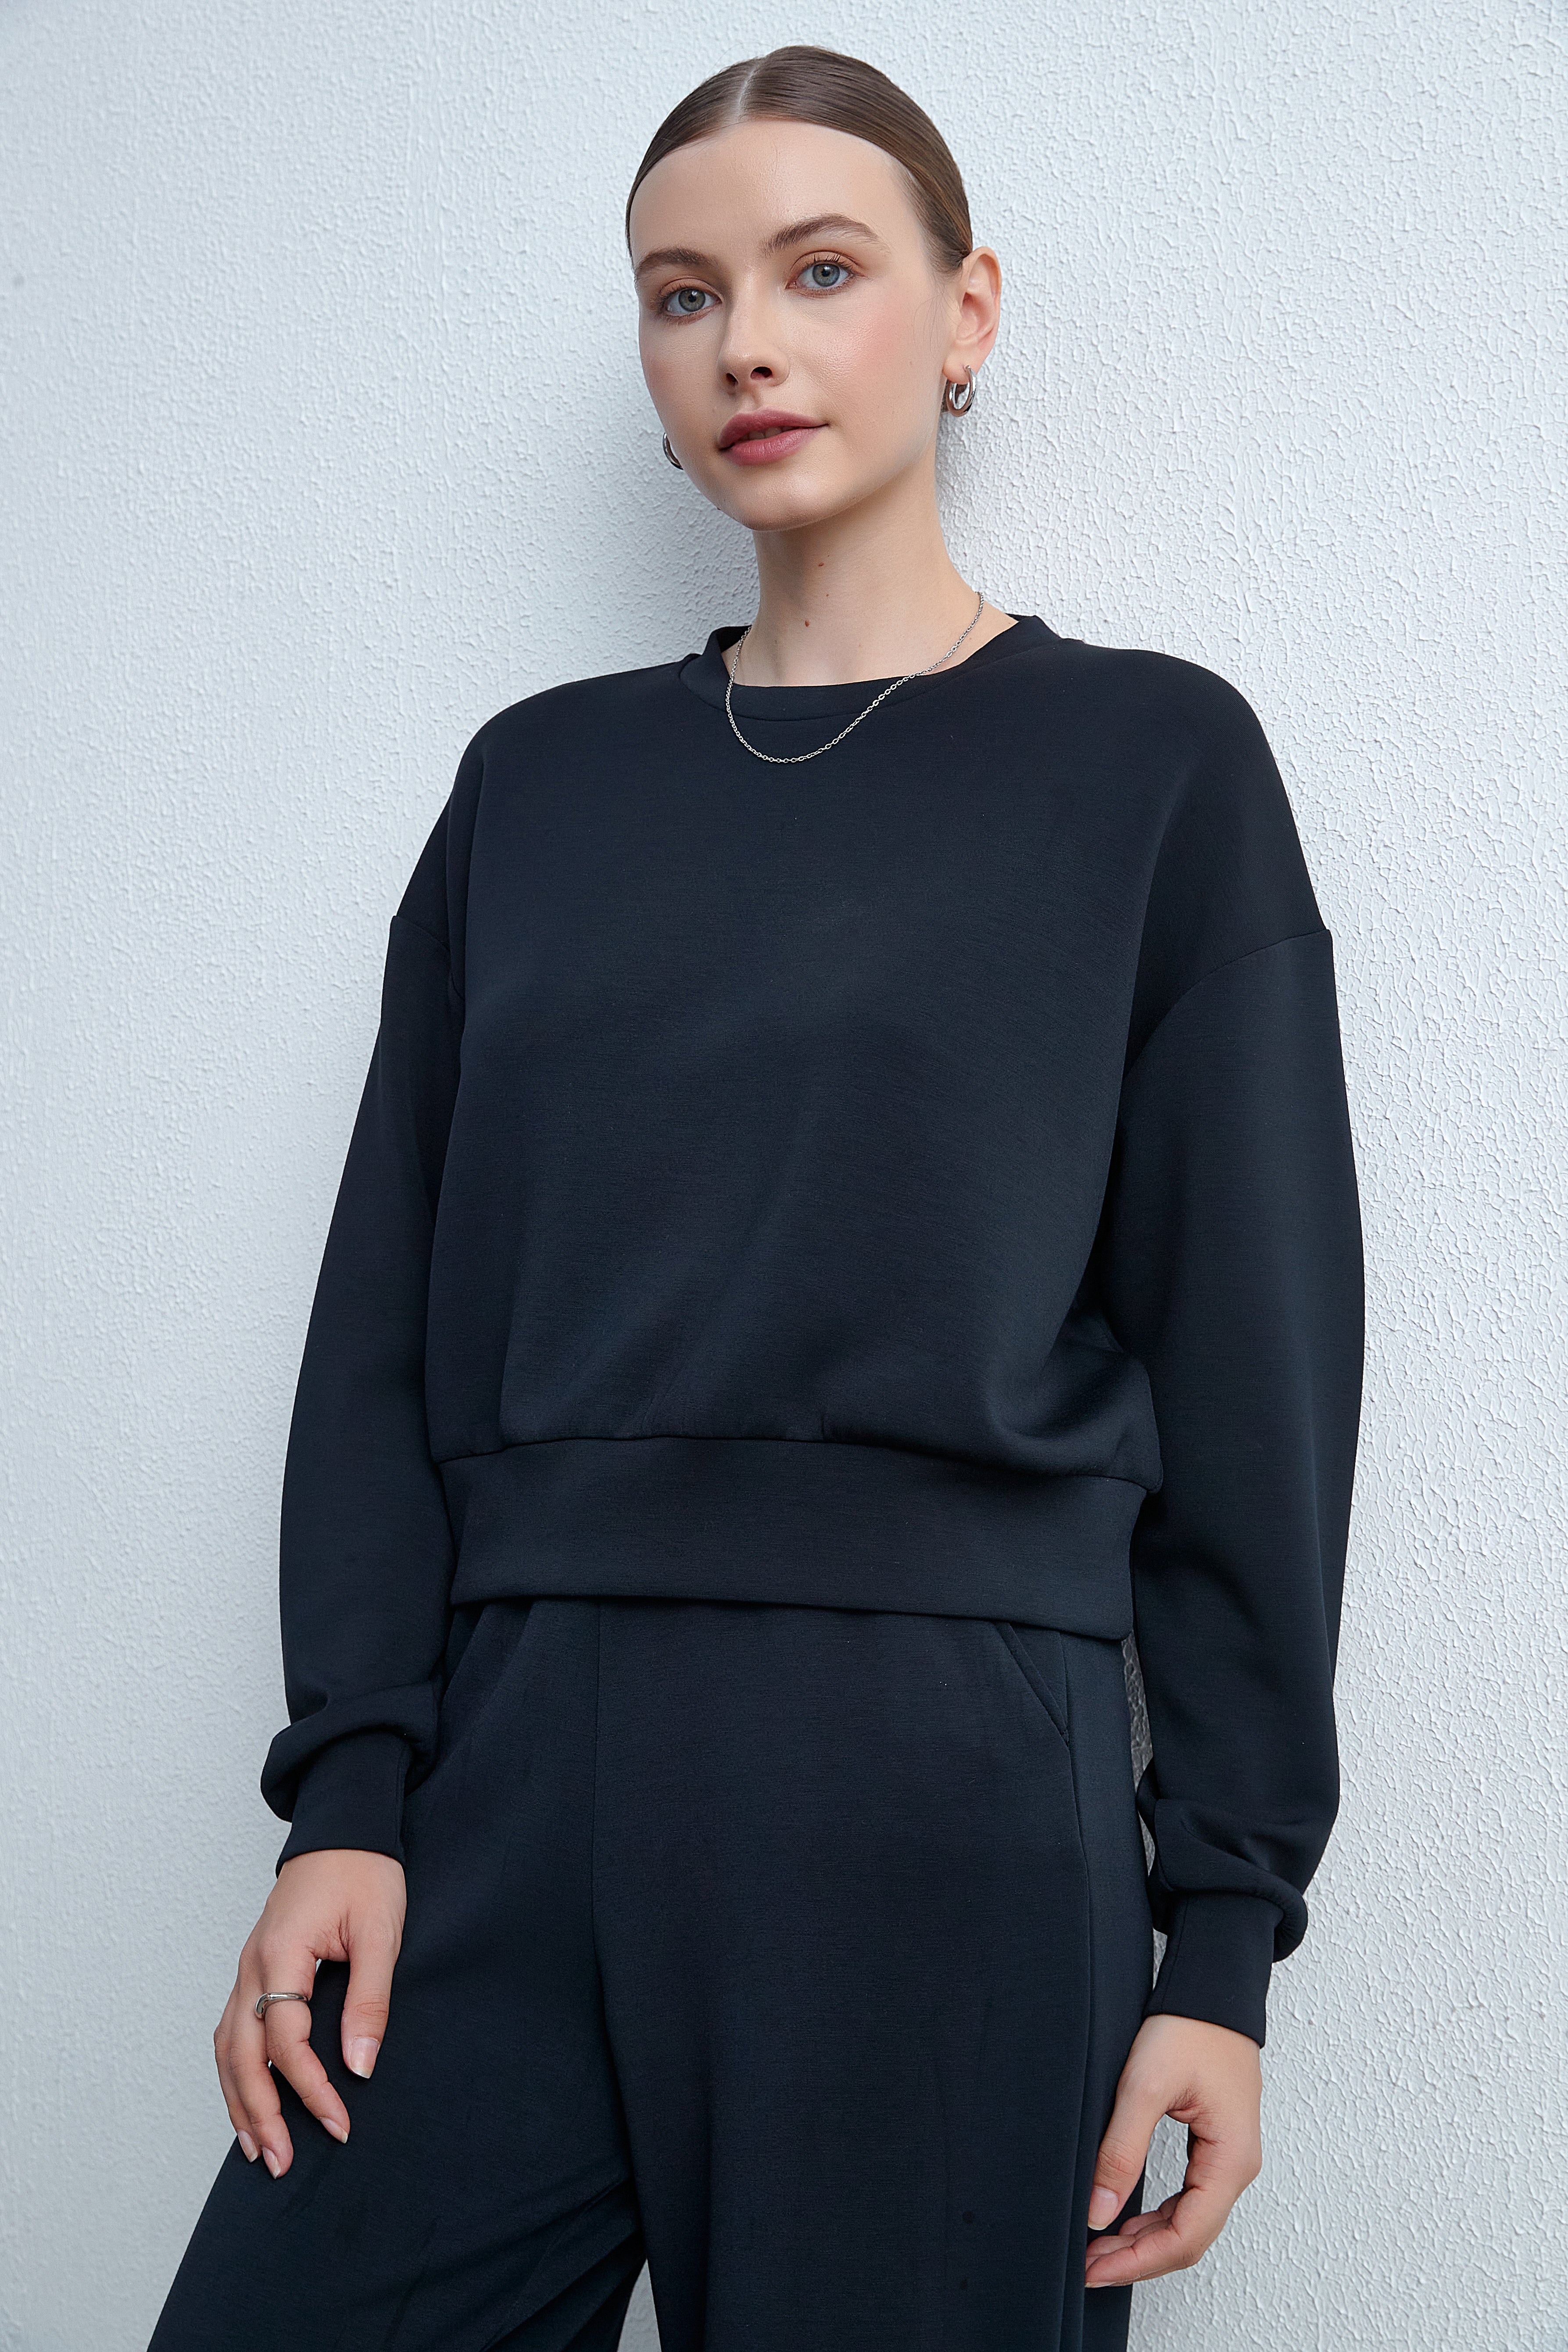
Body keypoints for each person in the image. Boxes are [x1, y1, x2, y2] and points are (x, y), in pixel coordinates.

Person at [150, 43, 1364, 2352]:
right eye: (681, 294)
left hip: (938, 1792)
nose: (747, 346)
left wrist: (1221, 1939)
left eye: (820, 271)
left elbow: (1257, 1382)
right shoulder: (536, 788)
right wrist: (352, 1794)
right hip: (511, 1766)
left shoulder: (1152, 768)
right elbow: (384, 1330)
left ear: (966, 309)